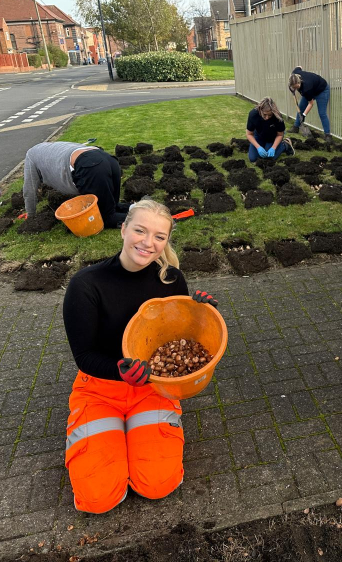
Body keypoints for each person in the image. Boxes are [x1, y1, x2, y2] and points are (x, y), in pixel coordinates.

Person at [62, 199, 218, 513]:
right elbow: (84, 356)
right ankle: (106, 437)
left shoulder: (170, 278)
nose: (148, 243)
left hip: (152, 386)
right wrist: (120, 370)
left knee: (159, 484)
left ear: (166, 242)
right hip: (100, 388)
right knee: (97, 498)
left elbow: (182, 333)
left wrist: (202, 313)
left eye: (159, 237)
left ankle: (136, 437)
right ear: (123, 230)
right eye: (140, 231)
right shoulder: (86, 285)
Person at [23, 141, 129, 228]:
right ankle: (139, 207)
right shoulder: (53, 147)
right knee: (113, 207)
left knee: (104, 218)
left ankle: (143, 218)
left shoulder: (31, 155)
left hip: (91, 166)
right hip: (109, 160)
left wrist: (30, 215)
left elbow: (30, 189)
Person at [288, 66, 331, 143]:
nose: (295, 89)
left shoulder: (306, 88)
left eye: (297, 87)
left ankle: (327, 135)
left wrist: (304, 115)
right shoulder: (294, 75)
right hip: (311, 89)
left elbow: (311, 103)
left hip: (321, 90)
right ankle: (296, 127)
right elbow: (299, 67)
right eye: (293, 87)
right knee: (300, 108)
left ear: (299, 82)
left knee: (322, 113)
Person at [246, 97, 294, 163]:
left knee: (269, 159)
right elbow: (249, 134)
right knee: (253, 159)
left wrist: (273, 148)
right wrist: (258, 147)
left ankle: (285, 145)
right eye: (264, 114)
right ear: (260, 110)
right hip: (259, 136)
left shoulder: (277, 117)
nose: (267, 118)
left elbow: (280, 135)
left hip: (273, 137)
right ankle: (263, 146)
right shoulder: (253, 115)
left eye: (270, 115)